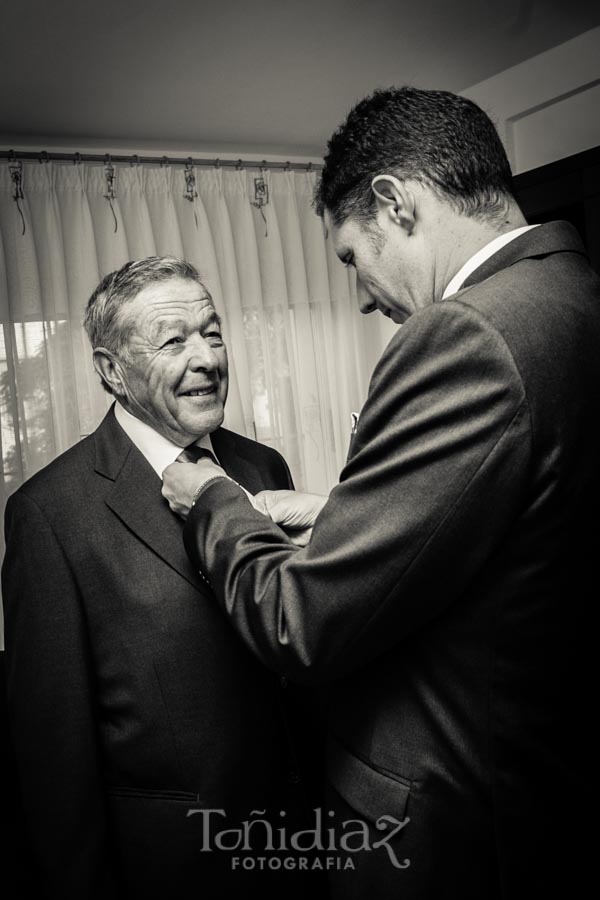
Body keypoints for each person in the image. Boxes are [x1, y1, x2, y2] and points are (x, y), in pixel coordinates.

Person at [162, 87, 600, 899]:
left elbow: (303, 624)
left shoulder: (463, 332)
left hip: (450, 833)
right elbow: (530, 503)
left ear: (395, 203)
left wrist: (214, 497)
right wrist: (336, 505)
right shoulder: (573, 295)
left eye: (350, 258)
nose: (361, 295)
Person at [2, 257, 324, 899]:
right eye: (174, 340)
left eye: (212, 331)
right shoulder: (50, 513)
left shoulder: (263, 465)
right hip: (171, 868)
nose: (206, 357)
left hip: (303, 848)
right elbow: (54, 761)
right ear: (111, 371)